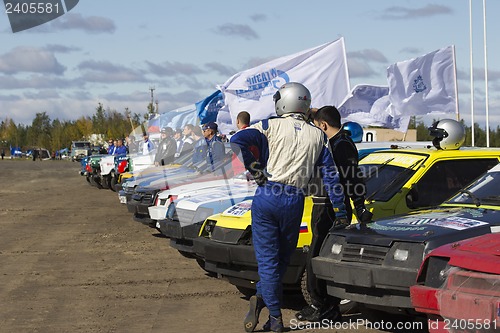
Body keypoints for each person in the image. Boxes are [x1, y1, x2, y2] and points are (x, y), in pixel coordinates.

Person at [231, 82, 348, 332]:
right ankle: (264, 300)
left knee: (268, 263)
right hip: (295, 199)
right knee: (282, 261)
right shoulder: (318, 135)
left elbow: (237, 140)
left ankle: (274, 318)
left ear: (283, 101)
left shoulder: (268, 125)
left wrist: (255, 170)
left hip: (268, 195)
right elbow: (332, 177)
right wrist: (341, 212)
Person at [294, 105, 373, 323]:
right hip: (323, 205)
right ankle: (324, 305)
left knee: (318, 257)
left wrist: (359, 207)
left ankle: (324, 306)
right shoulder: (332, 143)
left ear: (323, 125)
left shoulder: (342, 145)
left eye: (316, 126)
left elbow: (352, 179)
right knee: (317, 255)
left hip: (332, 209)